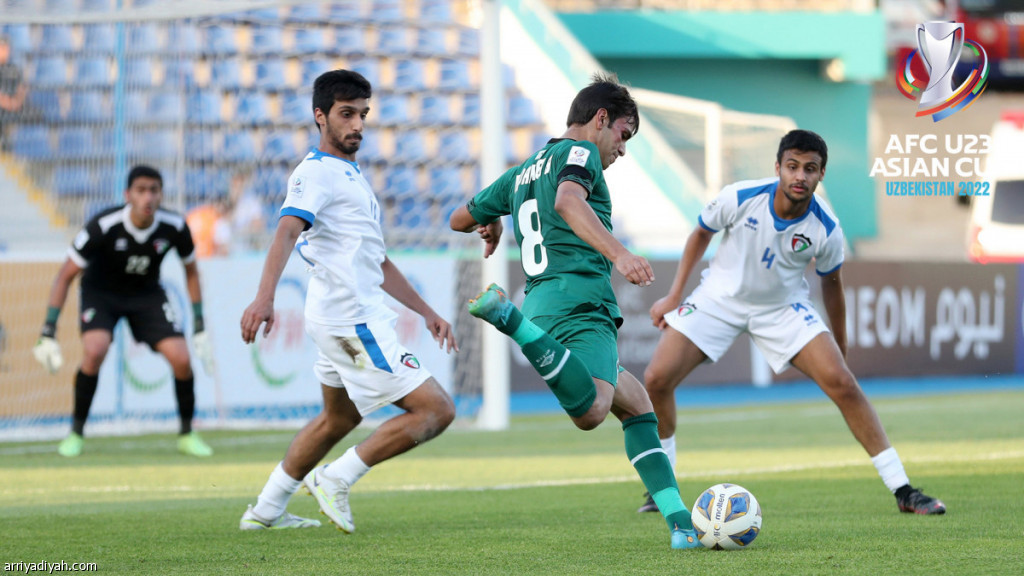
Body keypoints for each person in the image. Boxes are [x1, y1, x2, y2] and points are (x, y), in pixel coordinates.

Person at [449, 73, 701, 549]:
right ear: (600, 119)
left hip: (543, 305)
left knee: (637, 405)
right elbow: (568, 200)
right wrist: (619, 254)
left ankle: (681, 524)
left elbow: (459, 218)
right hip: (582, 302)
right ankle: (508, 319)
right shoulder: (581, 153)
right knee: (592, 411)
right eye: (623, 135)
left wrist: (492, 219)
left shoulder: (522, 171)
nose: (622, 149)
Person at [638, 129, 945, 515]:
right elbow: (701, 233)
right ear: (778, 168)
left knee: (843, 384)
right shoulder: (740, 197)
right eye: (793, 166)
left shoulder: (826, 228)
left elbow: (832, 285)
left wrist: (840, 346)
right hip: (718, 299)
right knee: (656, 379)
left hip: (781, 309)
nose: (800, 176)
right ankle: (663, 489)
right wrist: (674, 295)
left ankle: (903, 490)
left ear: (821, 174)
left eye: (810, 169)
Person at [239, 69, 458, 532]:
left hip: (338, 317)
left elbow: (377, 262)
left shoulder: (349, 175)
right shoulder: (315, 173)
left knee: (337, 419)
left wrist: (427, 312)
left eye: (362, 114)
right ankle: (335, 478)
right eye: (346, 114)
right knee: (437, 410)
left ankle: (265, 510)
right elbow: (286, 231)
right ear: (320, 116)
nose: (357, 124)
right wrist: (264, 298)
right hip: (350, 319)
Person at [32, 165, 215, 458]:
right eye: (141, 190)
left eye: (154, 190)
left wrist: (200, 325)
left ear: (161, 194)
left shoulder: (175, 226)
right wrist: (48, 330)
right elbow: (65, 275)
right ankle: (76, 433)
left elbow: (191, 272)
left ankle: (187, 434)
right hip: (101, 294)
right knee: (95, 350)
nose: (148, 197)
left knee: (182, 358)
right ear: (127, 195)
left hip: (146, 295)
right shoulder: (103, 225)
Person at [0, 34, 27, 146]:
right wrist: (8, 103)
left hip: (13, 111)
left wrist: (14, 103)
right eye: (2, 47)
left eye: (6, 48)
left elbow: (21, 91)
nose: (4, 51)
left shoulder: (14, 70)